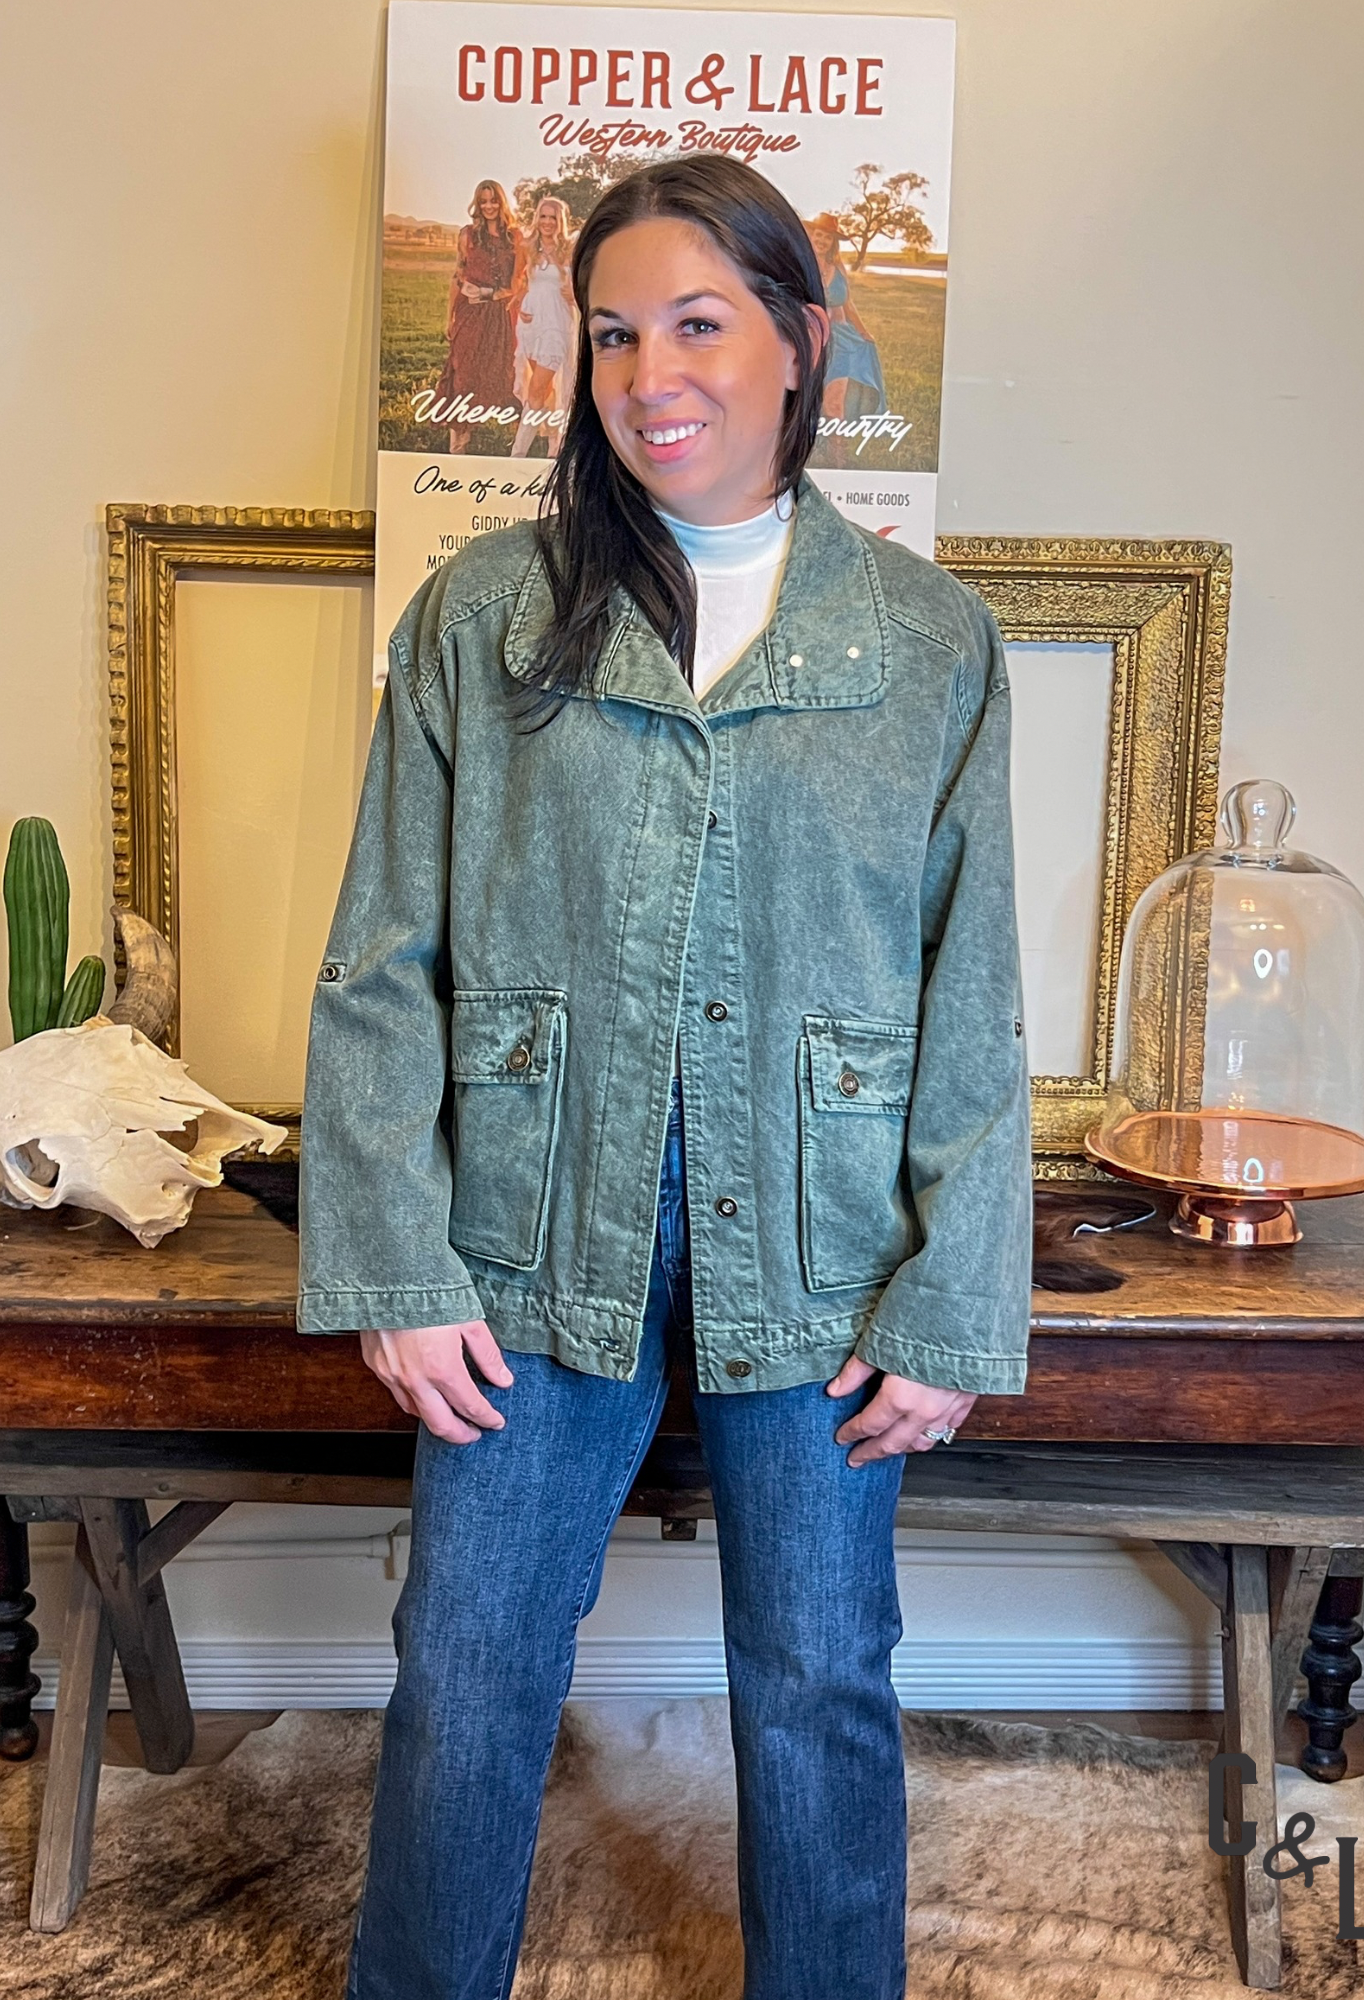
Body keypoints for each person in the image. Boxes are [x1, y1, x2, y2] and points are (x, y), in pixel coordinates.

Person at [298, 151, 1033, 2000]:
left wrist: (950, 1298)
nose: (647, 375)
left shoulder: (925, 644)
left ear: (802, 341)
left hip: (826, 1232)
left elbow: (970, 992)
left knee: (815, 1671)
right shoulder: (485, 616)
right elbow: (382, 959)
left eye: (696, 323)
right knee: (465, 1661)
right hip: (527, 1225)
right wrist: (393, 1267)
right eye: (610, 333)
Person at [435, 178, 525, 456]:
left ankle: (516, 440)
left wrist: (487, 294)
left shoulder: (515, 237)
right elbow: (458, 276)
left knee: (500, 373)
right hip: (467, 313)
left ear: (502, 202)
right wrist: (448, 316)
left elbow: (516, 285)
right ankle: (458, 445)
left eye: (493, 200)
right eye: (483, 200)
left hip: (498, 315)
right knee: (463, 371)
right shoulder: (467, 235)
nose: (488, 206)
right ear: (477, 203)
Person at [806, 210, 887, 465]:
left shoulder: (837, 267)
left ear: (833, 242)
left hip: (842, 341)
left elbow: (847, 304)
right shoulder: (803, 263)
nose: (822, 241)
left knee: (834, 403)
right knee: (811, 401)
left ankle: (838, 460)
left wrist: (863, 332)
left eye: (827, 238)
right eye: (819, 235)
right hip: (812, 339)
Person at [511, 193, 577, 458]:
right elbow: (521, 280)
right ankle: (554, 450)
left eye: (553, 217)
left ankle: (516, 456)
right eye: (543, 216)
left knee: (538, 390)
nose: (547, 222)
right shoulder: (528, 247)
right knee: (543, 389)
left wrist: (576, 294)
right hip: (530, 324)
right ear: (537, 219)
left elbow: (582, 282)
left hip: (557, 325)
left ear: (560, 221)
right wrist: (521, 302)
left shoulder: (570, 248)